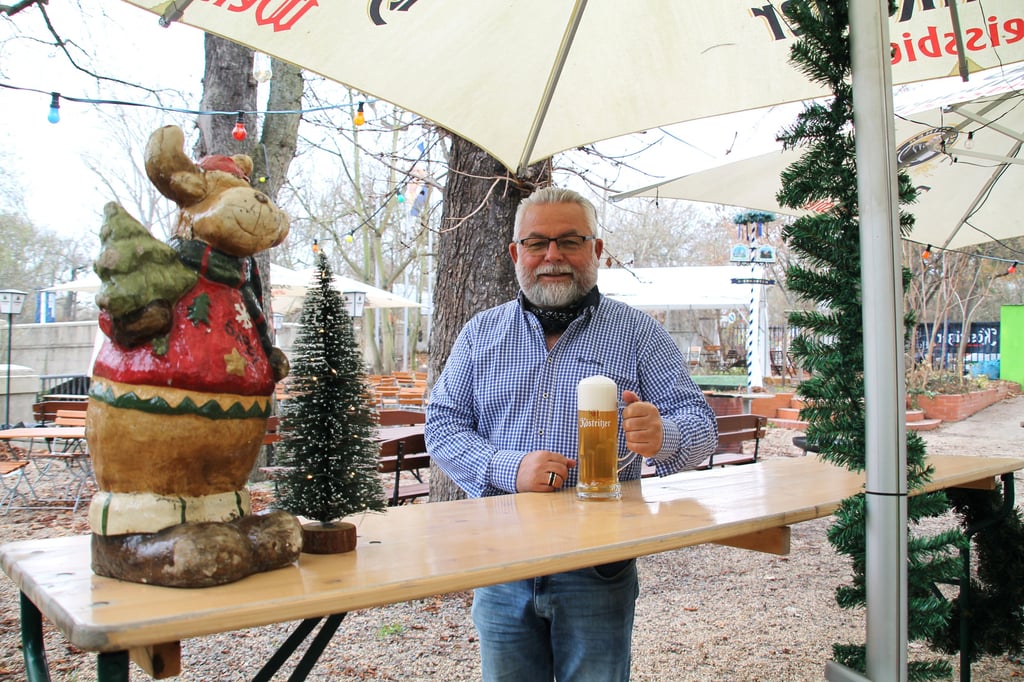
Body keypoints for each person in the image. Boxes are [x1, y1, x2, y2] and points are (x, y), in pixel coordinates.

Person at [425, 186, 717, 681]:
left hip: (599, 565)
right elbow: (442, 424)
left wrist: (662, 435)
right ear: (517, 253)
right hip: (501, 562)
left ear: (597, 250)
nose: (552, 256)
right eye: (537, 243)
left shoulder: (637, 333)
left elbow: (702, 426)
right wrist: (509, 468)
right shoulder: (481, 333)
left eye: (570, 241)